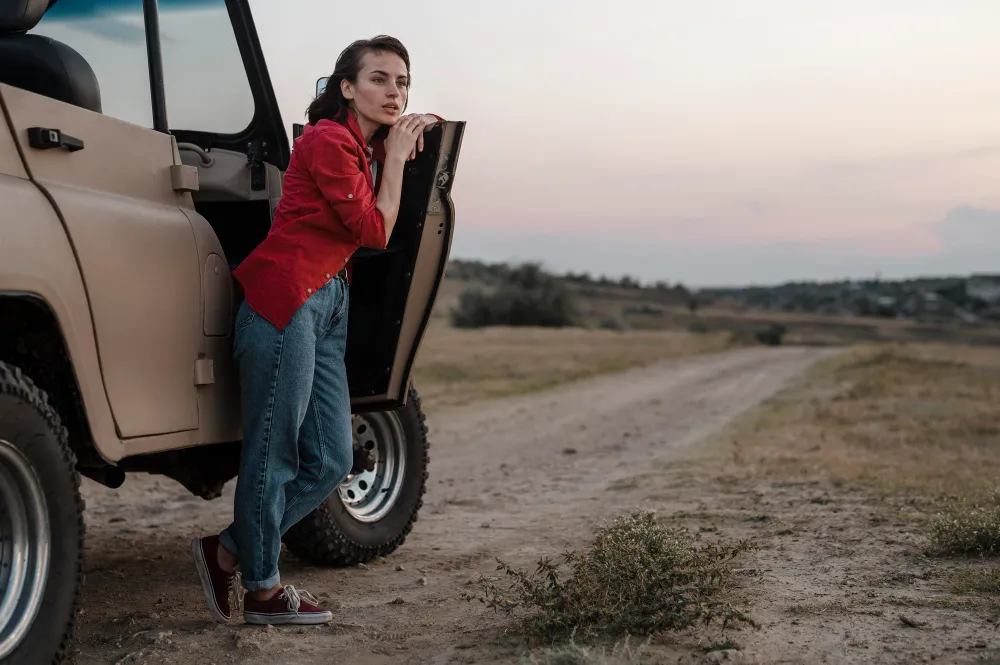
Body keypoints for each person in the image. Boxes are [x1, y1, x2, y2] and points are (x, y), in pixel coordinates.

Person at [190, 35, 442, 627]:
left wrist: (406, 143)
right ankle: (262, 591)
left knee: (331, 458)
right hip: (288, 299)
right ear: (346, 88)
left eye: (402, 82)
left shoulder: (363, 147)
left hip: (330, 301)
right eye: (379, 79)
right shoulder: (329, 140)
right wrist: (397, 159)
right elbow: (375, 230)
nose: (395, 92)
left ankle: (227, 550)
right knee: (274, 451)